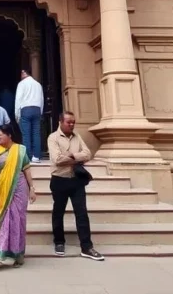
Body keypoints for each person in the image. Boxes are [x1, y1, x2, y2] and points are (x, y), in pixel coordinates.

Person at [47, 111, 104, 261]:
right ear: (60, 122)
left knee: (82, 214)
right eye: (68, 122)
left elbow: (88, 153)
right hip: (59, 179)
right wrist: (77, 158)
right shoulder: (53, 138)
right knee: (58, 212)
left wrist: (72, 157)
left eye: (73, 122)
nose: (72, 125)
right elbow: (57, 159)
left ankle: (86, 247)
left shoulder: (77, 136)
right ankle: (59, 242)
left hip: (77, 180)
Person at [0, 123, 36, 271]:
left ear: (9, 135)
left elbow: (26, 170)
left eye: (1, 134)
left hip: (20, 188)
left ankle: (17, 254)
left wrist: (32, 189)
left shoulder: (20, 150)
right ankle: (1, 256)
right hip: (2, 189)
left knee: (18, 221)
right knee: (5, 220)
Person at [14, 67, 44, 163]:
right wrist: (41, 112)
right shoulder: (38, 84)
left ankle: (28, 157)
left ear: (24, 72)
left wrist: (17, 114)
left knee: (26, 134)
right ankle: (37, 156)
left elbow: (18, 100)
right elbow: (42, 99)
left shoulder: (22, 84)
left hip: (25, 109)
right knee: (36, 133)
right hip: (37, 109)